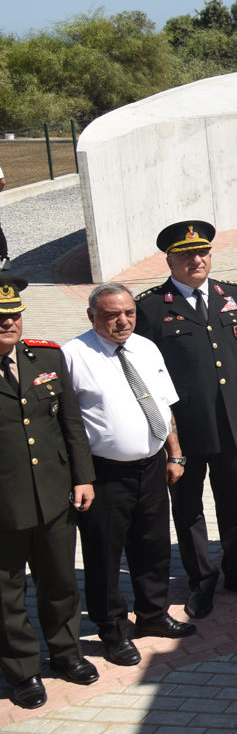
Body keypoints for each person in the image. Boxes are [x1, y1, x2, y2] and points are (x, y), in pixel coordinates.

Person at [133, 222, 237, 619]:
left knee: (235, 503)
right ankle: (201, 582)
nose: (197, 260)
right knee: (188, 508)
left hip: (231, 421)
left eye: (203, 252)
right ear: (170, 261)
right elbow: (145, 376)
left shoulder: (231, 295)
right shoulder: (151, 307)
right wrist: (163, 436)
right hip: (185, 429)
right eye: (186, 255)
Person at [63, 283, 196, 668]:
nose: (123, 321)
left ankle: (152, 614)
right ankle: (113, 630)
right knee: (104, 555)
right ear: (92, 316)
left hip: (152, 467)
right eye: (112, 315)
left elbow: (164, 404)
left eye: (129, 313)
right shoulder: (74, 355)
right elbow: (67, 423)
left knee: (153, 545)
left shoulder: (146, 347)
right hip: (103, 475)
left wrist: (175, 453)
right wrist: (80, 477)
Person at [0, 276, 97, 709]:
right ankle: (22, 671)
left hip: (54, 495)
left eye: (14, 315)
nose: (9, 323)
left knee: (60, 582)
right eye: (0, 317)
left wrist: (83, 477)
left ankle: (66, 654)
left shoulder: (46, 356)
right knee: (7, 595)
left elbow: (70, 424)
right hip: (4, 505)